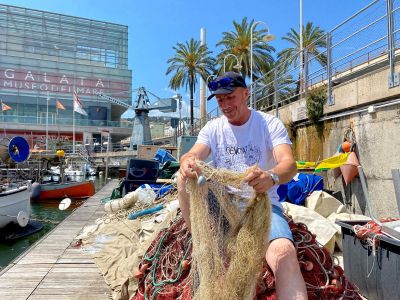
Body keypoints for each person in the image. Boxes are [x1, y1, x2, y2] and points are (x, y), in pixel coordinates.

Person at [177, 72, 308, 299]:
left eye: (230, 98)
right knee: (182, 178)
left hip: (261, 206)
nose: (225, 105)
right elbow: (193, 153)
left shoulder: (268, 125)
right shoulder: (213, 128)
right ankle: (201, 243)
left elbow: (289, 164)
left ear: (246, 94)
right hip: (222, 205)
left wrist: (271, 177)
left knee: (284, 253)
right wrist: (187, 161)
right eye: (220, 100)